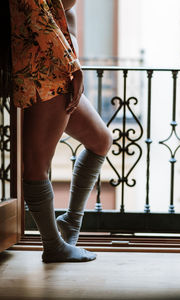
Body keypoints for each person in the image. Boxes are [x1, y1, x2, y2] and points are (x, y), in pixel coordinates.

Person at [9, 0, 113, 263]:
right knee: (36, 166)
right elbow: (36, 13)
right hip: (43, 70)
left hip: (58, 71)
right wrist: (72, 65)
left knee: (101, 140)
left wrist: (71, 62)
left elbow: (62, 13)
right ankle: (54, 245)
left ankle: (70, 223)